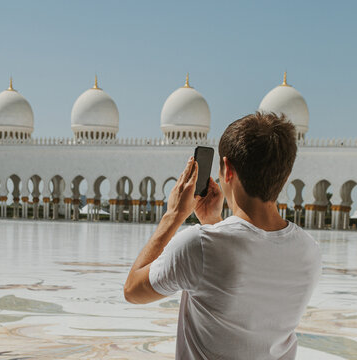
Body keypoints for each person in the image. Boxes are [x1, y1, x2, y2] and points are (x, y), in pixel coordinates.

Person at [124, 112, 322, 360]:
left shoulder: (199, 245)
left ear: (227, 170)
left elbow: (133, 290)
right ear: (286, 173)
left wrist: (174, 215)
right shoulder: (309, 251)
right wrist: (212, 223)